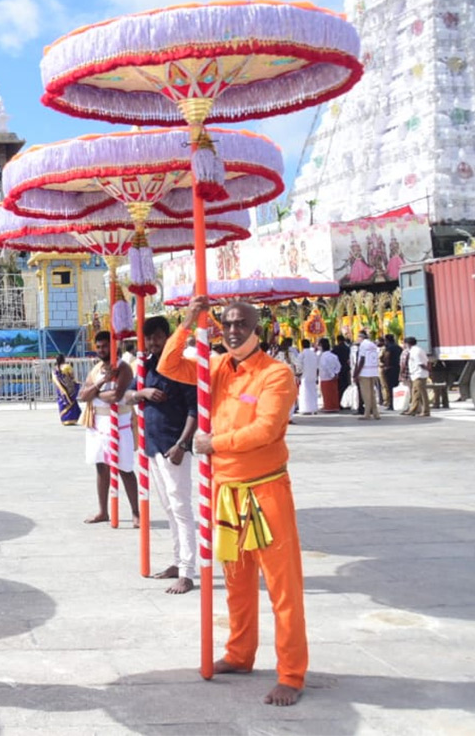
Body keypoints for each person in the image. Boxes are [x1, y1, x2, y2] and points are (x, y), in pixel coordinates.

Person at [157, 297, 305, 706]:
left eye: (242, 323)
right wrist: (188, 322)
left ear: (258, 328)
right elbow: (168, 367)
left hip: (267, 490)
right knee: (237, 583)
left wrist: (213, 443)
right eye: (226, 323)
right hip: (227, 494)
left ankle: (291, 673)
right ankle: (240, 654)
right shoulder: (217, 367)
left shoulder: (277, 374)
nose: (233, 330)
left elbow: (266, 430)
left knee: (283, 588)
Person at [123, 317, 197, 595]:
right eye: (149, 338)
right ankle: (178, 562)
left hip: (173, 447)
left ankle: (188, 571)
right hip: (153, 447)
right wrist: (142, 392)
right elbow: (127, 395)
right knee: (169, 507)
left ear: (168, 337)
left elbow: (195, 409)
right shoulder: (146, 366)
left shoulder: (181, 368)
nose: (154, 343)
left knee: (181, 507)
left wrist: (182, 443)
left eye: (158, 337)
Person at [76, 331, 138, 526]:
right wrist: (102, 383)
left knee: (125, 467)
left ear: (115, 347)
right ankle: (103, 511)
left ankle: (136, 512)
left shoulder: (124, 368)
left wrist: (95, 394)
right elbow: (83, 395)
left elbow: (116, 396)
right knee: (101, 467)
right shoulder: (96, 370)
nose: (102, 350)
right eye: (99, 347)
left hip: (120, 422)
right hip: (98, 424)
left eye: (105, 346)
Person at [353, 330, 382, 420]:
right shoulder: (372, 345)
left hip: (364, 372)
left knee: (366, 394)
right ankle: (376, 413)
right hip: (373, 371)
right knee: (372, 393)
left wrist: (356, 373)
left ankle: (367, 413)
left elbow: (362, 359)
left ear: (361, 337)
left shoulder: (363, 345)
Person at [402, 336, 431, 417]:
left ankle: (415, 410)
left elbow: (421, 363)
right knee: (421, 393)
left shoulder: (415, 352)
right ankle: (423, 410)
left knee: (417, 393)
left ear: (408, 344)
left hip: (418, 374)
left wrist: (427, 370)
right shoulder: (418, 349)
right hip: (418, 374)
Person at [51, 353, 80, 426]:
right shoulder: (67, 367)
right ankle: (72, 419)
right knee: (71, 402)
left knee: (63, 403)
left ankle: (65, 420)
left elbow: (55, 379)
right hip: (70, 388)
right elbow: (72, 376)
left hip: (61, 390)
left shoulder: (55, 369)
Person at [317, 339, 341, 412]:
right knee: (333, 392)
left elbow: (325, 366)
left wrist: (331, 374)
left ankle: (328, 407)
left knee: (327, 393)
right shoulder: (334, 356)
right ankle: (335, 406)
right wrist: (336, 373)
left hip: (325, 377)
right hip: (334, 377)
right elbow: (339, 366)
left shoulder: (323, 356)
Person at [380, 335, 402, 411]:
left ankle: (391, 404)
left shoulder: (389, 348)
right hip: (397, 368)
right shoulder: (399, 347)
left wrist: (385, 365)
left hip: (390, 368)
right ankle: (396, 403)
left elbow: (386, 357)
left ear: (387, 340)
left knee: (390, 387)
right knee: (396, 386)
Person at [297, 338, 318, 415]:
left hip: (305, 376)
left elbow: (299, 366)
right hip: (313, 375)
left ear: (302, 345)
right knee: (313, 392)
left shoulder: (302, 354)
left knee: (305, 392)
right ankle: (314, 408)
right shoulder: (314, 353)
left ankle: (306, 409)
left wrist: (298, 374)